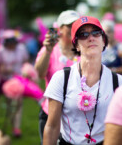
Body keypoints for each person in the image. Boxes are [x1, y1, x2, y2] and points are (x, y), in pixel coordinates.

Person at [43, 16, 122, 145]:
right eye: (83, 34)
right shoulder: (61, 78)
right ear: (77, 45)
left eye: (96, 33)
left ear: (103, 41)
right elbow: (51, 127)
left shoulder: (118, 82)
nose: (91, 38)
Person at [34, 10, 80, 145]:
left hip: (76, 114)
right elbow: (40, 73)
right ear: (59, 29)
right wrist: (47, 50)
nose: (74, 29)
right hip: (51, 113)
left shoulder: (82, 48)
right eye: (69, 25)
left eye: (76, 25)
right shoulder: (50, 49)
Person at [0, 30, 29, 137]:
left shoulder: (21, 49)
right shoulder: (1, 51)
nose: (12, 44)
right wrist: (6, 70)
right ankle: (12, 123)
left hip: (19, 79)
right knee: (11, 104)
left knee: (18, 103)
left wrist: (26, 71)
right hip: (7, 80)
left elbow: (26, 61)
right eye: (9, 42)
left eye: (13, 42)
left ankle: (16, 128)